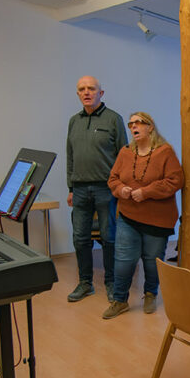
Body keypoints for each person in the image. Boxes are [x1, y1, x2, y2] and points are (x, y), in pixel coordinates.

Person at [103, 112, 184, 319]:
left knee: (151, 260)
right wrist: (121, 189)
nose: (133, 127)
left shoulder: (165, 152)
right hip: (128, 216)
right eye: (131, 124)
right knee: (123, 260)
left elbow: (175, 181)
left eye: (138, 122)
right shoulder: (125, 152)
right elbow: (112, 178)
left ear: (150, 127)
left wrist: (146, 192)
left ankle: (150, 294)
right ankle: (120, 301)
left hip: (157, 219)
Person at [66, 75, 127, 303]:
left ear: (101, 93)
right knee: (80, 238)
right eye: (82, 89)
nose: (86, 92)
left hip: (106, 189)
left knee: (109, 238)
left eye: (91, 88)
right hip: (80, 189)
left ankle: (111, 283)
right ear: (78, 94)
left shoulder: (113, 119)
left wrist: (119, 188)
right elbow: (70, 155)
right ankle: (85, 283)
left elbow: (124, 155)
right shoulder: (74, 121)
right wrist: (70, 187)